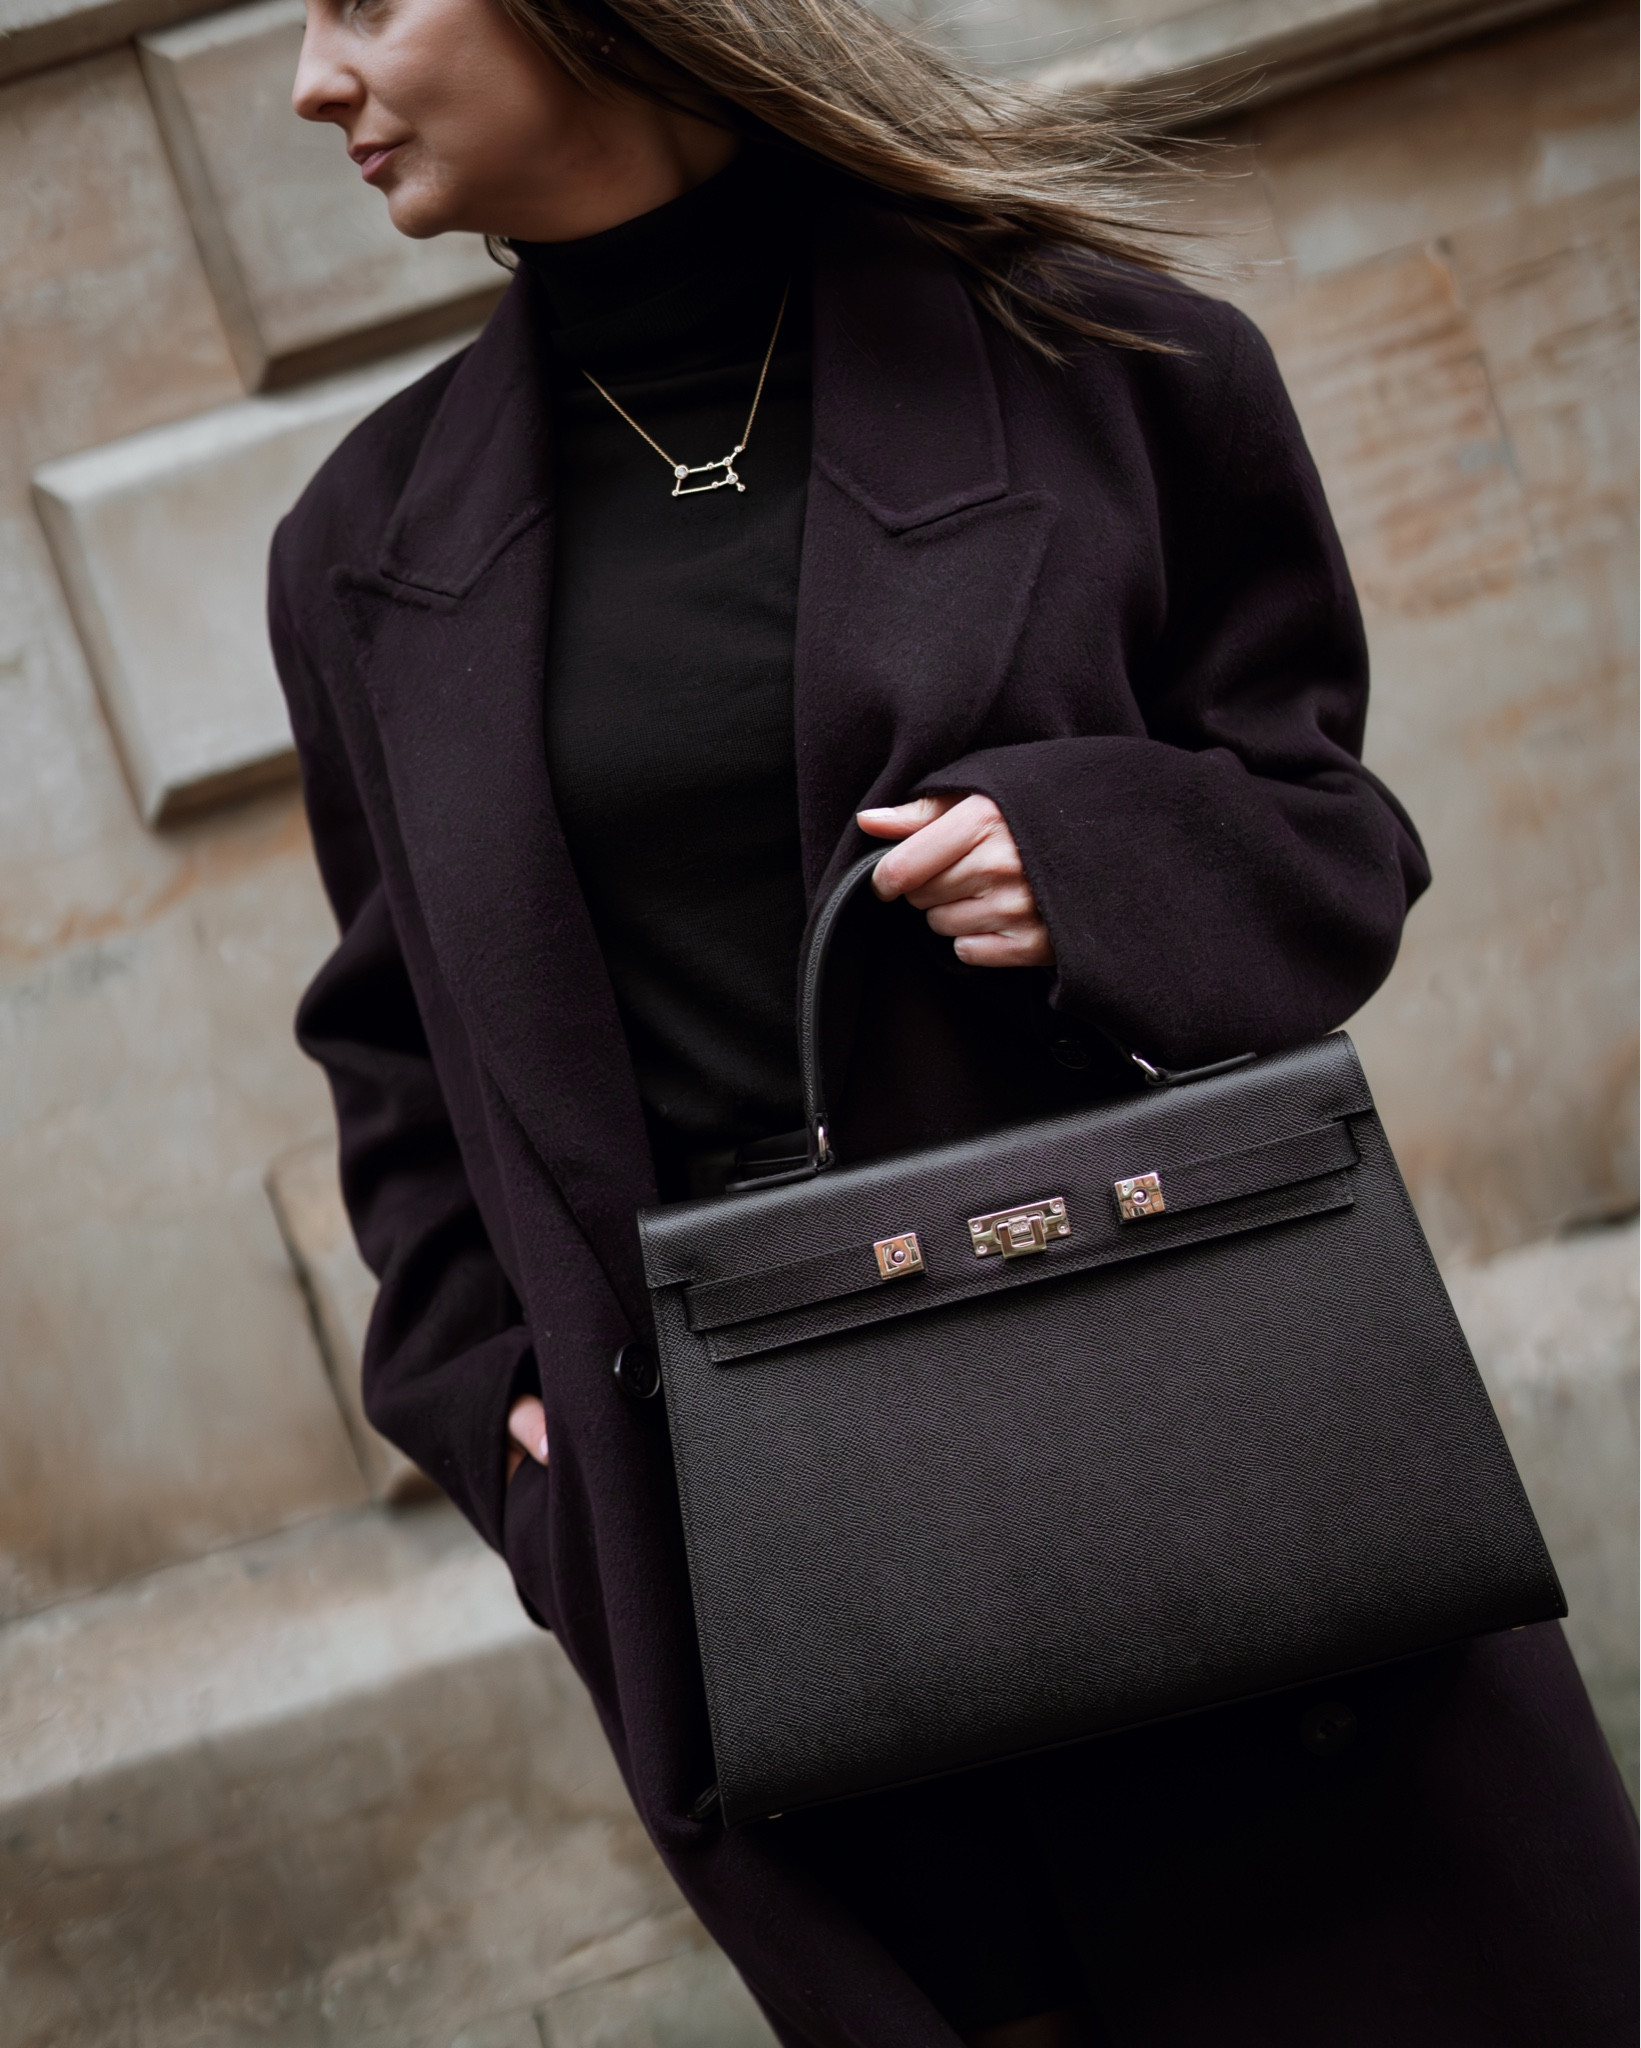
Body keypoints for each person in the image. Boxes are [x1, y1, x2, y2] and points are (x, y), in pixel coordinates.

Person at [276, 0, 1637, 2040]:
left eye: (362, 0)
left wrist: (1088, 861)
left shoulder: (1107, 357)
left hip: (1197, 1451)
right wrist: (505, 1421)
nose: (313, 80)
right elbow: (395, 1054)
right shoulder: (363, 547)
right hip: (768, 1558)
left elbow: (1330, 842)